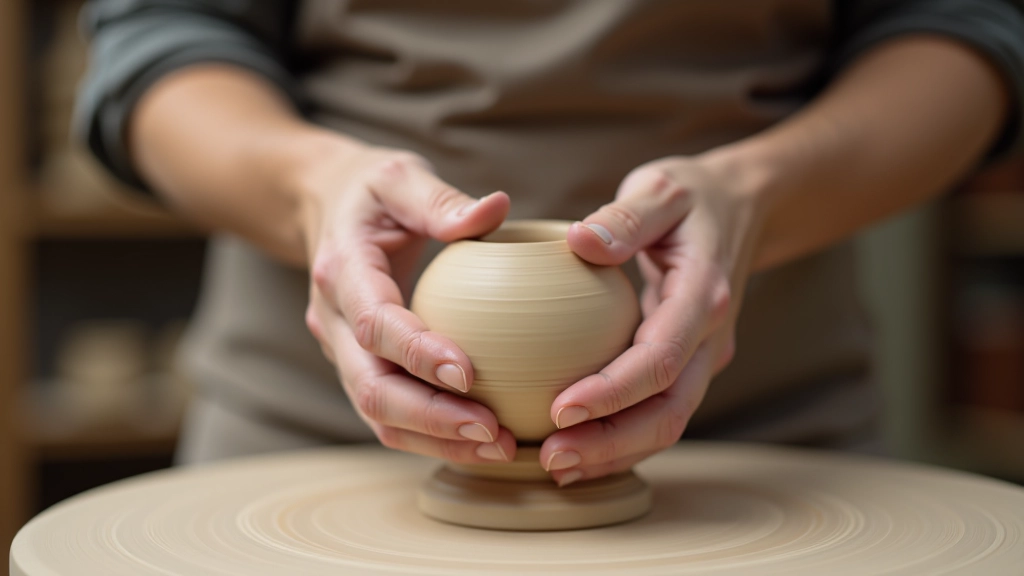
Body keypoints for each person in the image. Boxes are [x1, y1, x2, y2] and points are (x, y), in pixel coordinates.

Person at [77, 0, 1024, 486]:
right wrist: (310, 187)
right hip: (314, 429)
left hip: (760, 438)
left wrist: (754, 195)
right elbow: (162, 34)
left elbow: (965, 26)